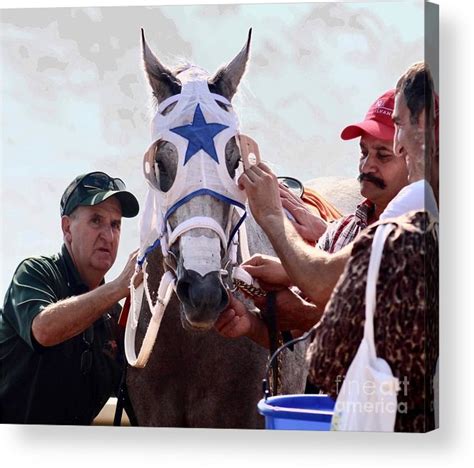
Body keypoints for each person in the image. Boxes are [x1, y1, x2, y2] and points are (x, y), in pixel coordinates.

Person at [215, 89, 410, 342]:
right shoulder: (341, 232)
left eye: (383, 155)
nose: (367, 166)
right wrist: (251, 325)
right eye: (364, 152)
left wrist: (274, 217)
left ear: (414, 160)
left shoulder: (419, 235)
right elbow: (294, 331)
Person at [0, 171, 141, 425]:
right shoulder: (35, 273)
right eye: (96, 220)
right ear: (67, 228)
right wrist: (120, 287)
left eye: (115, 224)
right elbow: (43, 329)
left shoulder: (116, 319)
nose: (108, 236)